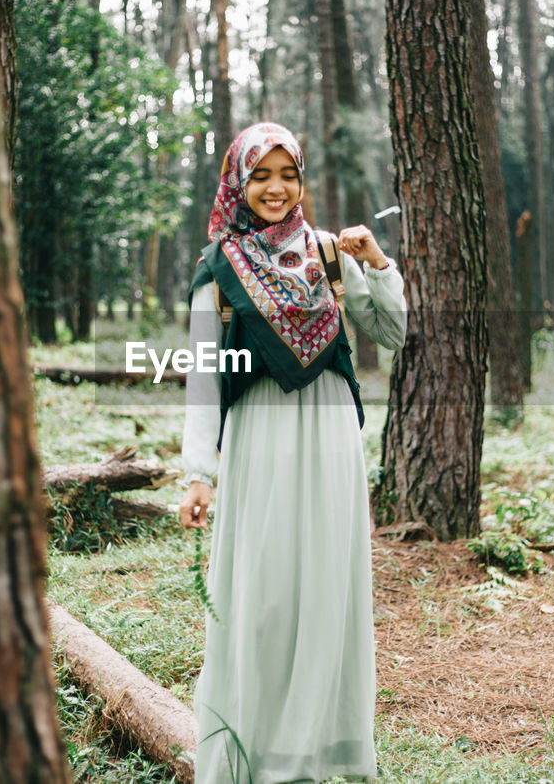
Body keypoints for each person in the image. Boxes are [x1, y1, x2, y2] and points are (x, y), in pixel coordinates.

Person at [179, 121, 407, 784]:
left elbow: (390, 332)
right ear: (238, 183)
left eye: (288, 174)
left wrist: (378, 262)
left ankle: (316, 749)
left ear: (302, 179)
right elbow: (201, 376)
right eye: (261, 175)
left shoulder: (330, 255)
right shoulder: (216, 267)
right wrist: (198, 472)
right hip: (259, 441)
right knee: (263, 593)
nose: (276, 188)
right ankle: (251, 750)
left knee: (325, 588)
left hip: (332, 437)